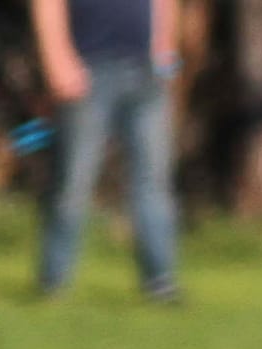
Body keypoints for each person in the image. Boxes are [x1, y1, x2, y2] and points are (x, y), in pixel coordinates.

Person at [30, 0, 181, 303]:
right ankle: (54, 282)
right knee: (73, 182)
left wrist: (165, 46)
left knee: (153, 182)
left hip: (146, 70)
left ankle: (161, 283)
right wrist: (57, 58)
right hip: (87, 69)